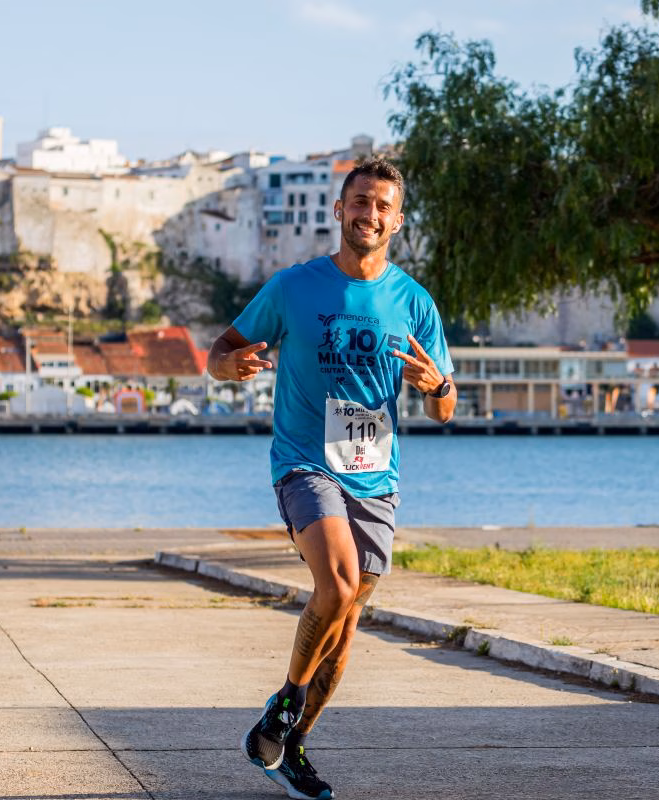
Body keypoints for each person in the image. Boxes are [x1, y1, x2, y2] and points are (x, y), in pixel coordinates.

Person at [207, 157, 456, 799]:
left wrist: (439, 387)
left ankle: (294, 746)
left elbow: (444, 403)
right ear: (338, 210)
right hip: (304, 461)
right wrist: (231, 366)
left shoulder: (413, 302)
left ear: (396, 221)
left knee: (344, 633)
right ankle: (287, 701)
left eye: (381, 206)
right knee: (338, 582)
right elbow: (218, 353)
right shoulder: (293, 287)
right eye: (359, 202)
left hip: (375, 474)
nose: (368, 214)